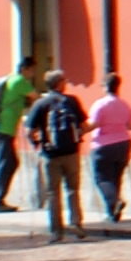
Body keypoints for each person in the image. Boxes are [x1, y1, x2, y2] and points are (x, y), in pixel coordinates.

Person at [24, 70, 89, 242]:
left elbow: (29, 131)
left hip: (50, 154)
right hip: (72, 152)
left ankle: (56, 231)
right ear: (59, 83)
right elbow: (83, 125)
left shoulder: (40, 104)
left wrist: (36, 144)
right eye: (64, 81)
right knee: (73, 189)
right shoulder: (72, 101)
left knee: (53, 193)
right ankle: (76, 223)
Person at [0, 56, 35, 212]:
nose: (33, 74)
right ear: (25, 69)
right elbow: (36, 97)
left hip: (1, 127)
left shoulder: (11, 79)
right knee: (5, 164)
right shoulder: (20, 81)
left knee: (10, 163)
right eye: (32, 70)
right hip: (4, 128)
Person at [86, 72, 131, 224]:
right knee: (116, 178)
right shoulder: (124, 104)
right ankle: (113, 214)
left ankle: (115, 201)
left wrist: (81, 130)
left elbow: (93, 124)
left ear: (105, 87)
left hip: (103, 144)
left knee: (102, 178)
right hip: (123, 142)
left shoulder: (100, 104)